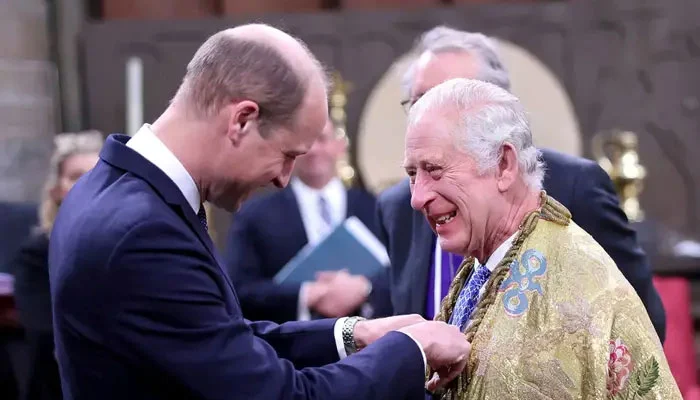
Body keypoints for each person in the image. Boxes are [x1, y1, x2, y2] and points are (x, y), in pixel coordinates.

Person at [48, 24, 470, 400]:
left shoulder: (112, 189)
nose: (285, 179)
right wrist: (411, 351)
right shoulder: (141, 233)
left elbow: (216, 340)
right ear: (242, 120)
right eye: (287, 155)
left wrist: (354, 334)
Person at [376, 26, 666, 341]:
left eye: (453, 97)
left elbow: (639, 326)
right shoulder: (397, 207)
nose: (432, 113)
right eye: (421, 101)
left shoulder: (576, 188)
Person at [406, 77, 680, 399]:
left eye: (435, 170)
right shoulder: (483, 265)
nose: (417, 197)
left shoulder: (577, 279)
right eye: (412, 174)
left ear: (503, 165)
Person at [225, 119, 392, 323]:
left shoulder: (376, 207)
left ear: (339, 145)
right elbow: (239, 289)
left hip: (371, 340)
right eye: (305, 143)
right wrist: (307, 294)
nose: (313, 150)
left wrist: (365, 288)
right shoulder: (255, 215)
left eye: (321, 139)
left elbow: (405, 274)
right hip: (290, 345)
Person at [12, 131, 103, 400]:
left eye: (96, 174)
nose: (88, 183)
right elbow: (44, 330)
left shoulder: (128, 246)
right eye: (76, 176)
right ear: (56, 190)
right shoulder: (36, 255)